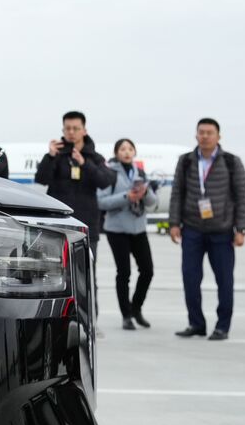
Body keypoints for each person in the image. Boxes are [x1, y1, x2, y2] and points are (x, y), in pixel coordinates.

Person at [168, 118, 245, 340]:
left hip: (222, 231)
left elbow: (242, 196)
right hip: (192, 230)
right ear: (196, 135)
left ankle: (222, 326)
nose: (205, 136)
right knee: (190, 278)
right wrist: (174, 223)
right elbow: (177, 194)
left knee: (224, 280)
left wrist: (241, 228)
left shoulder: (232, 162)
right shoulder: (185, 161)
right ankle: (196, 323)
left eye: (209, 132)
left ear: (218, 136)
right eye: (201, 132)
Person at [35, 111, 116, 331]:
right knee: (53, 274)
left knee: (87, 275)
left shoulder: (94, 156)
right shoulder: (57, 154)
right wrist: (50, 157)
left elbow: (105, 181)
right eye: (67, 129)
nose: (71, 133)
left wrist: (85, 163)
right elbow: (41, 179)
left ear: (84, 130)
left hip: (86, 225)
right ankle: (56, 322)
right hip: (57, 226)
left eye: (75, 128)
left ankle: (90, 321)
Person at [97, 138, 157, 330]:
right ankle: (126, 315)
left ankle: (136, 308)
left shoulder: (139, 173)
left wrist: (145, 193)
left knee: (147, 270)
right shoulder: (109, 173)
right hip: (117, 229)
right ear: (116, 152)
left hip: (138, 228)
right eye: (122, 149)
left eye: (130, 148)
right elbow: (101, 202)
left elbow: (151, 203)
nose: (126, 152)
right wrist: (126, 197)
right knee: (124, 273)